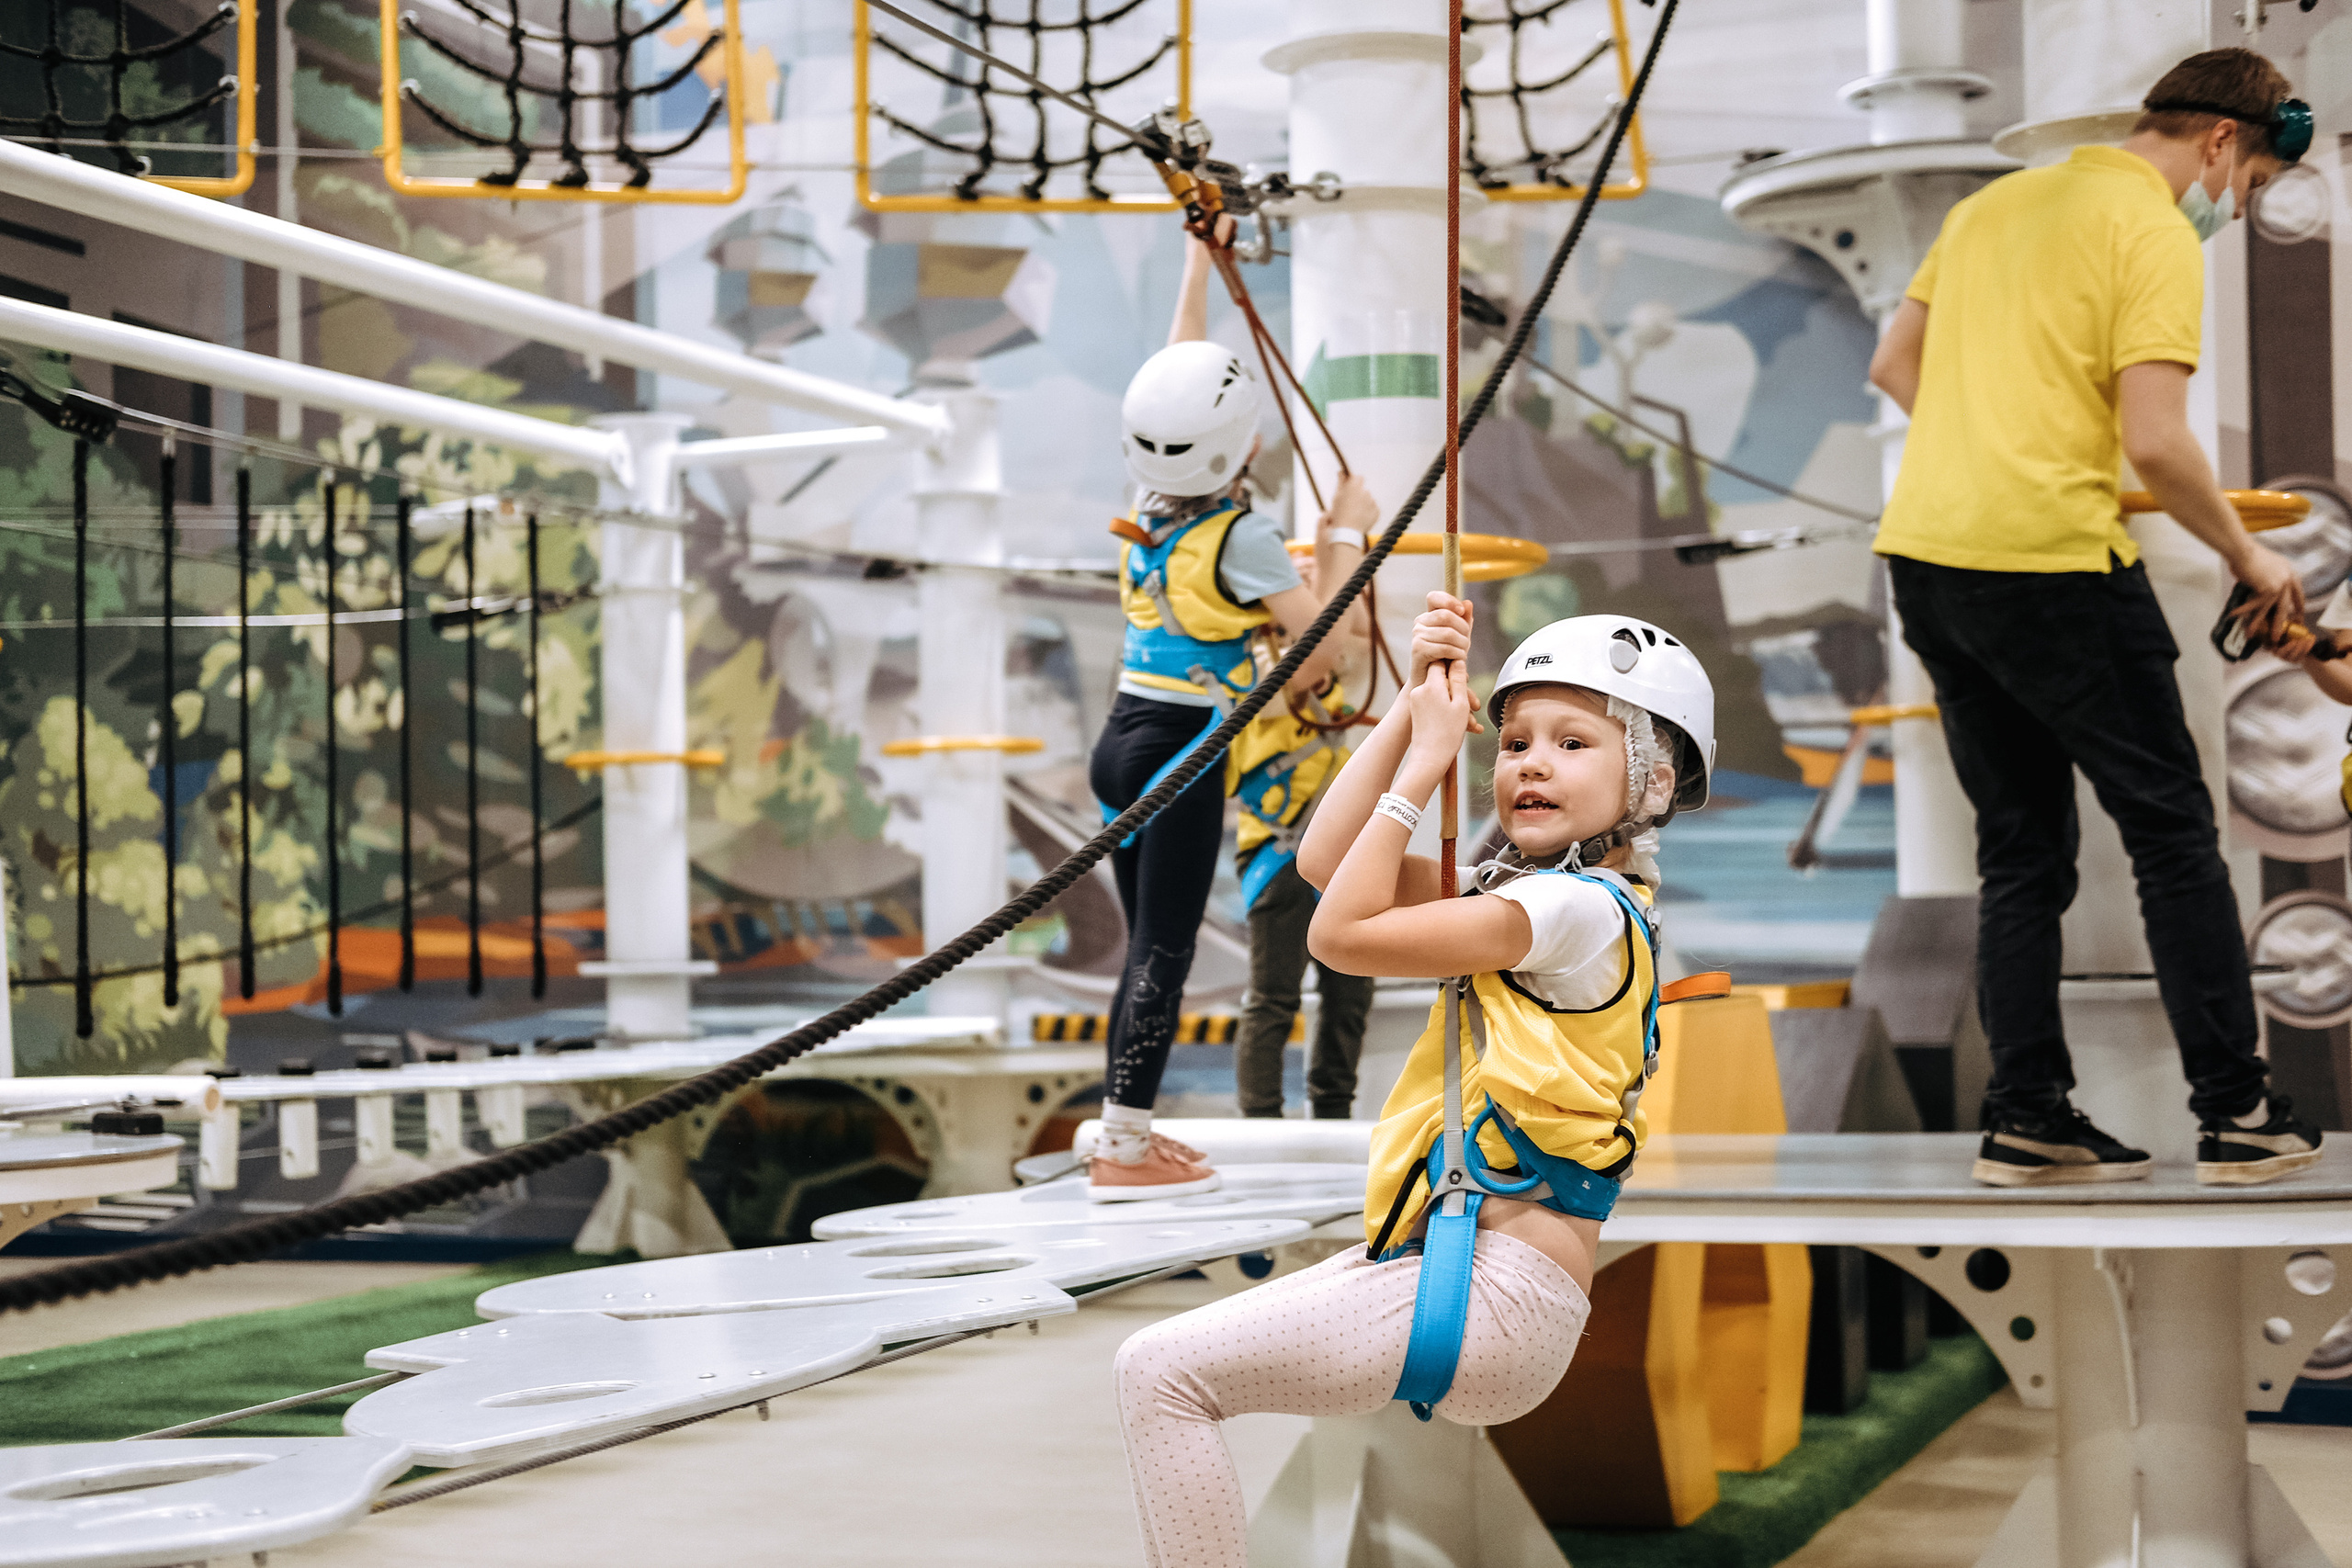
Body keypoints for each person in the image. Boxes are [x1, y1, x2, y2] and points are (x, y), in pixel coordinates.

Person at [1114, 595, 1716, 1568]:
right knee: (1164, 1373)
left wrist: (1431, 763)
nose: (1529, 760)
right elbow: (1324, 864)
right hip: (1450, 1270)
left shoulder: (1571, 912)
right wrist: (1409, 712)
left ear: (1651, 777)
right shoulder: (1531, 899)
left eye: (1573, 742)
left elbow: (1338, 937)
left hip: (1491, 1294)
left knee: (1160, 1373)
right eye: (1513, 739)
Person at [1869, 46, 2324, 1188]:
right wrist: (2246, 553)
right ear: (2223, 140)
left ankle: (2027, 1115)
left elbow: (1892, 362)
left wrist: (1993, 438)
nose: (2234, 204)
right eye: (2252, 184)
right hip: (2048, 561)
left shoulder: (1993, 206)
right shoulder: (2154, 230)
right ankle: (2238, 1113)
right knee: (2173, 832)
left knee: (2019, 853)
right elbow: (2158, 441)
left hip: (1927, 555)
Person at [1087, 219, 1371, 1201]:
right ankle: (1123, 1149)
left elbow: (1173, 366)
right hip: (1178, 754)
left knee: (1141, 947)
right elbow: (1321, 652)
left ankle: (1123, 1135)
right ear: (1240, 444)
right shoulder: (1239, 534)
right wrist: (1342, 538)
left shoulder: (1151, 492)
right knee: (1162, 950)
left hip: (1121, 738)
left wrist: (1197, 265)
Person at [1227, 543, 1377, 1121]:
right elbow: (1319, 645)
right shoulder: (1252, 675)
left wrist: (1333, 564)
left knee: (1349, 994)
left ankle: (1333, 1108)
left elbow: (1351, 635)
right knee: (1274, 996)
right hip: (1278, 853)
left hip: (1337, 856)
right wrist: (1337, 545)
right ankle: (1261, 1117)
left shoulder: (1331, 685)